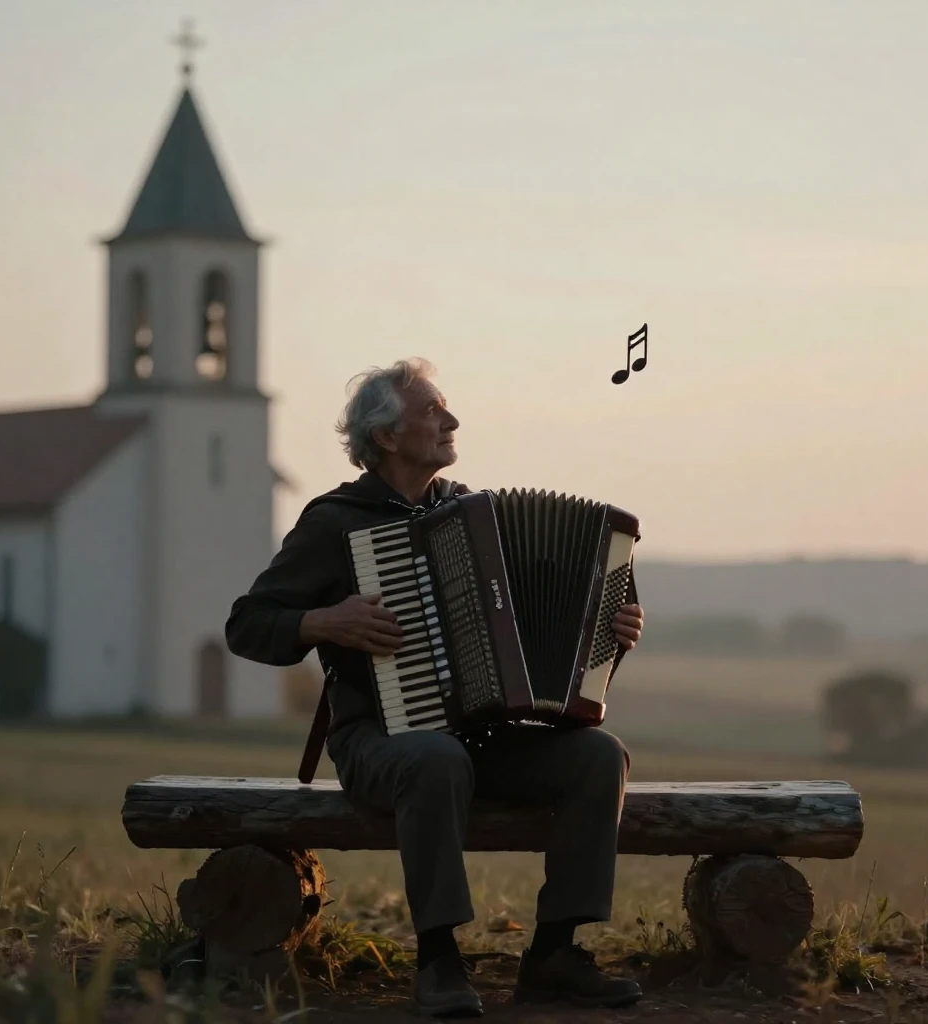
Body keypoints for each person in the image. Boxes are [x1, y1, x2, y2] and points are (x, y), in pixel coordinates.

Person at [226, 358, 646, 1017]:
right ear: (387, 437)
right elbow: (246, 625)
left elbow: (571, 609)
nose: (450, 421)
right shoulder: (335, 522)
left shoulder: (471, 513)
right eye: (431, 411)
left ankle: (555, 953)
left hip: (484, 734)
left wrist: (612, 628)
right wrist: (321, 620)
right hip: (378, 738)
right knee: (434, 756)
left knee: (599, 757)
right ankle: (439, 959)